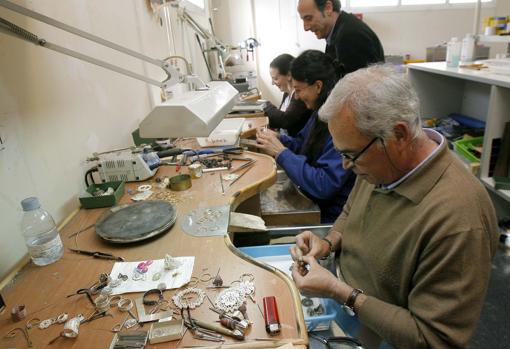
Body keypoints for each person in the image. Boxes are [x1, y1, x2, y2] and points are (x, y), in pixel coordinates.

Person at [290, 65, 498, 348]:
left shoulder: (460, 221)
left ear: (398, 134)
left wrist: (342, 293)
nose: (346, 165)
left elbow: (434, 340)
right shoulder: (381, 163)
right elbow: (352, 211)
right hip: (349, 317)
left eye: (351, 154)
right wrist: (327, 243)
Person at [256, 50, 355, 223]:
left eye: (299, 90)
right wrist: (279, 139)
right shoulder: (319, 113)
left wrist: (281, 153)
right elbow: (302, 143)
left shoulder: (341, 121)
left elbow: (324, 184)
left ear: (318, 86)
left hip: (333, 216)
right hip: (318, 204)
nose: (298, 97)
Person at [297, 0, 384, 77]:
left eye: (308, 18)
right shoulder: (338, 30)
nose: (306, 28)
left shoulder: (350, 36)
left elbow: (356, 89)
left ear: (328, 8)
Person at [263, 54, 313, 137]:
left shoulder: (299, 96)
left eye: (275, 78)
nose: (272, 83)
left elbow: (285, 120)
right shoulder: (287, 93)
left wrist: (265, 105)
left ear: (289, 75)